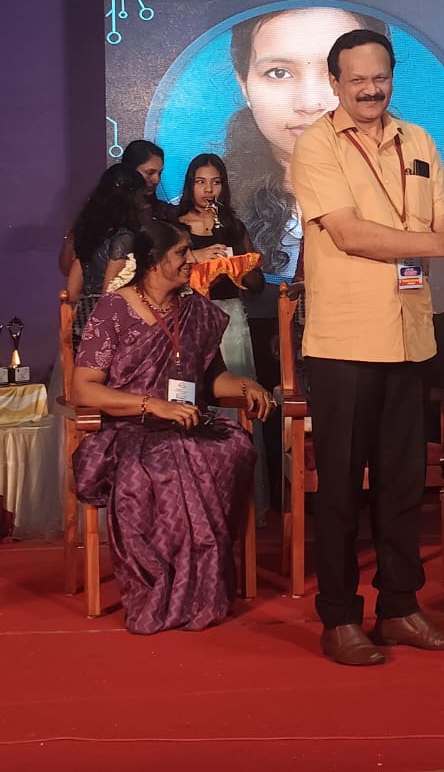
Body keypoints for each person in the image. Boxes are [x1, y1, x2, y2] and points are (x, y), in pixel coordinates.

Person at [290, 28, 444, 667]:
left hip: (409, 333)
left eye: (380, 77)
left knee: (404, 486)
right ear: (334, 82)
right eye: (356, 79)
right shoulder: (316, 145)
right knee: (340, 490)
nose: (370, 90)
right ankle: (339, 618)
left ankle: (401, 608)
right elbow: (351, 235)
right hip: (345, 339)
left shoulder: (418, 140)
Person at [72, 219, 273, 634]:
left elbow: (212, 380)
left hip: (188, 423)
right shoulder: (115, 310)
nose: (190, 260)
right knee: (160, 467)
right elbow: (84, 387)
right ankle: (164, 584)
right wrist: (153, 406)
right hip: (132, 429)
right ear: (153, 261)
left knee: (230, 448)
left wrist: (246, 385)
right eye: (181, 253)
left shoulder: (195, 309)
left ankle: (200, 584)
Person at [225, 6, 386, 284]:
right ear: (244, 85)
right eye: (278, 72)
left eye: (336, 72)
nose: (310, 103)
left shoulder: (412, 193)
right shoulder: (209, 209)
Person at [177, 152, 269, 522]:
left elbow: (257, 282)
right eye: (201, 182)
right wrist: (198, 257)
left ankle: (237, 503)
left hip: (231, 320)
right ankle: (191, 501)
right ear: (190, 185)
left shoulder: (232, 226)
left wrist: (239, 269)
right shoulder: (175, 226)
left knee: (236, 401)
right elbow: (163, 273)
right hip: (188, 319)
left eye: (215, 182)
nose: (208, 189)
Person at [58, 139, 171, 278]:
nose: (156, 180)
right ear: (129, 171)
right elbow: (68, 268)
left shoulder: (164, 213)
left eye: (160, 173)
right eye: (150, 172)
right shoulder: (99, 213)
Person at [66, 163, 146, 338]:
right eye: (141, 196)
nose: (142, 204)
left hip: (81, 324)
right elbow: (109, 293)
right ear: (130, 198)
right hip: (108, 327)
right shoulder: (124, 238)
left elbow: (71, 292)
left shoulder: (89, 234)